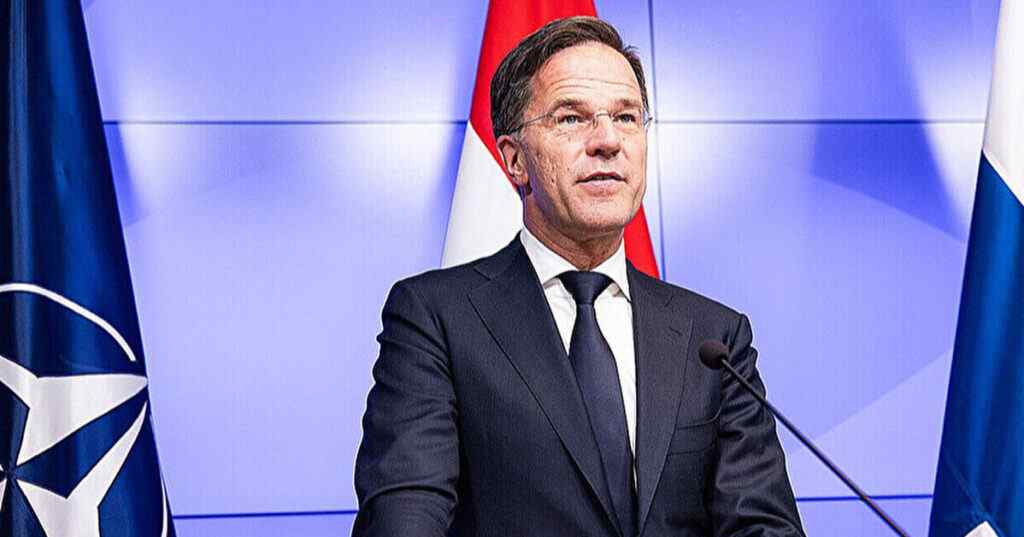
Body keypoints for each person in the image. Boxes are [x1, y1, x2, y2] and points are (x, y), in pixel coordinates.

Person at [353, 16, 804, 537]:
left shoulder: (714, 337)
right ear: (515, 160)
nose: (608, 141)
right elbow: (404, 516)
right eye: (571, 118)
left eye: (627, 117)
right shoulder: (435, 318)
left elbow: (762, 525)